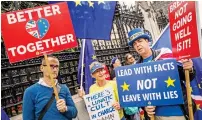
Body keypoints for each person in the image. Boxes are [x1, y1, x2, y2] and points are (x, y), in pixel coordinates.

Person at [128, 28, 196, 120]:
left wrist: (189, 68)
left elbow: (185, 76)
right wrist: (145, 107)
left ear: (147, 41)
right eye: (134, 44)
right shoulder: (136, 67)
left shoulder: (164, 54)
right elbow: (139, 94)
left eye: (140, 41)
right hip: (155, 115)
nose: (138, 45)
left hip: (177, 113)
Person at [23, 55, 77, 120]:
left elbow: (74, 113)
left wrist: (65, 109)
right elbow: (28, 118)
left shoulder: (64, 88)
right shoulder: (30, 91)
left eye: (57, 66)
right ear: (42, 68)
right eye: (51, 66)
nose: (55, 69)